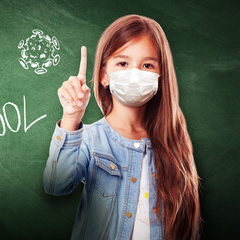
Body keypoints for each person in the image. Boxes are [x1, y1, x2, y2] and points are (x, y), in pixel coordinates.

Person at [43, 14, 201, 240]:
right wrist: (71, 117)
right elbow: (56, 184)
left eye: (147, 65)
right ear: (103, 75)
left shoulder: (173, 142)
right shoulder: (90, 138)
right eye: (122, 63)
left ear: (159, 75)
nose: (134, 74)